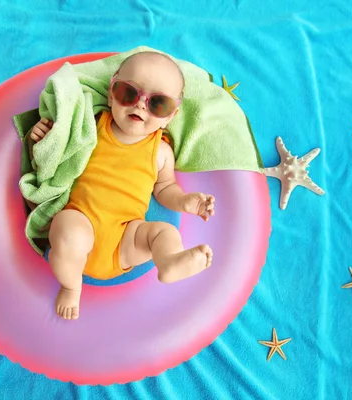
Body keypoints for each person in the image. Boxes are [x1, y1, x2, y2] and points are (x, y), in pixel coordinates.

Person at [28, 51, 216, 320]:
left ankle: (169, 261)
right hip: (83, 225)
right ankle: (71, 286)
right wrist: (45, 140)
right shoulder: (92, 125)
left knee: (163, 232)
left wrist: (185, 201)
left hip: (127, 238)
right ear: (111, 92)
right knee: (67, 227)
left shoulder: (161, 152)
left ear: (170, 116)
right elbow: (60, 153)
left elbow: (164, 189)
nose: (140, 106)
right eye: (129, 93)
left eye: (158, 104)